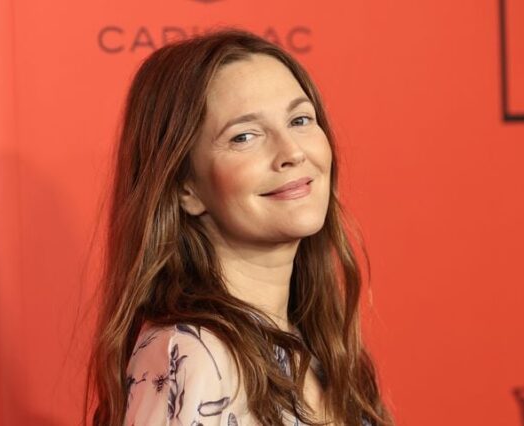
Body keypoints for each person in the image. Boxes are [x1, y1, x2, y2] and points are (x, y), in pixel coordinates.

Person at [85, 28, 395, 426]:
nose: (292, 152)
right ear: (185, 188)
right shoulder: (193, 353)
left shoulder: (318, 350)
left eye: (300, 119)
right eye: (244, 136)